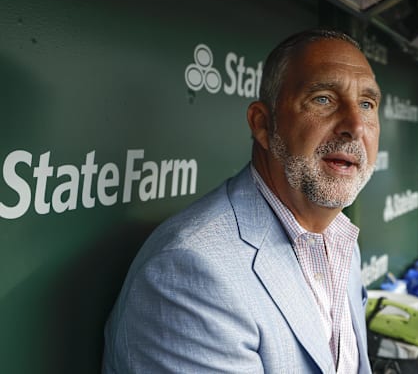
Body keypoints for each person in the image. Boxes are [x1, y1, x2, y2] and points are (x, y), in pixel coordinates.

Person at [102, 29, 382, 373]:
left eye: (367, 104)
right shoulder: (191, 270)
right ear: (263, 125)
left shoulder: (340, 239)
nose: (354, 125)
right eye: (323, 98)